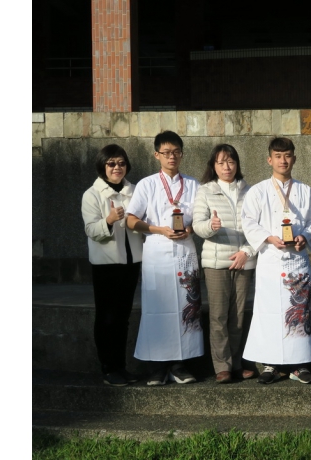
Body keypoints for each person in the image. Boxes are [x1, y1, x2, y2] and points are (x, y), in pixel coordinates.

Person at [241, 137, 311, 384]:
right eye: (278, 156)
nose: (283, 160)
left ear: (294, 158)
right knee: (269, 312)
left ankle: (299, 364)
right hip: (271, 261)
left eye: (287, 155)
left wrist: (304, 237)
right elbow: (248, 221)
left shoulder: (305, 191)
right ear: (269, 160)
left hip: (297, 261)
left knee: (298, 312)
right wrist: (268, 237)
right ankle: (270, 365)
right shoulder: (258, 191)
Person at [125, 130, 203, 386]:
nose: (172, 157)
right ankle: (157, 366)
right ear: (156, 154)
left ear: (182, 154)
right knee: (157, 308)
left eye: (176, 152)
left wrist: (190, 229)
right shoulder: (147, 184)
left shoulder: (193, 184)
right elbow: (131, 219)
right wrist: (159, 229)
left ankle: (181, 364)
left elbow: (202, 218)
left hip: (185, 252)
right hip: (158, 252)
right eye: (166, 152)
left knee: (186, 307)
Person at [192, 144, 258, 384]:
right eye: (221, 162)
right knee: (219, 316)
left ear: (237, 164)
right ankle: (222, 366)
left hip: (243, 261)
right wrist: (211, 226)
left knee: (238, 316)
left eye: (230, 162)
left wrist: (247, 252)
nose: (226, 167)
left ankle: (238, 362)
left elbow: (256, 228)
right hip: (216, 262)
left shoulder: (250, 191)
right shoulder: (206, 191)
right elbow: (197, 225)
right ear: (214, 166)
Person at [81, 144, 144, 386]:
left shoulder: (136, 190)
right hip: (106, 264)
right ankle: (108, 367)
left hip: (131, 261)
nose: (117, 168)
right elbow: (90, 230)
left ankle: (121, 367)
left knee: (123, 317)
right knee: (107, 317)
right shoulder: (92, 194)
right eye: (111, 164)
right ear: (102, 167)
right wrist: (108, 220)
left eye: (121, 163)